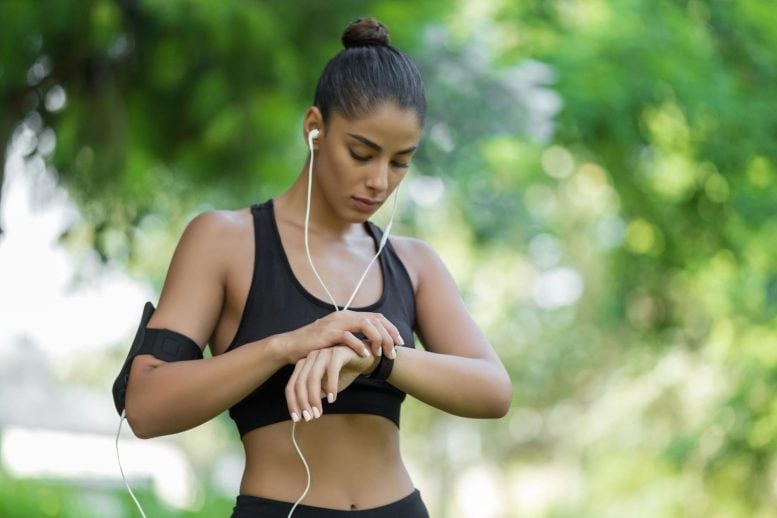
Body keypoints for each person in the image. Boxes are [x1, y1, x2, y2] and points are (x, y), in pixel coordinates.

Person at [122, 17, 512, 517]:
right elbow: (146, 405)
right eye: (361, 153)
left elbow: (493, 389)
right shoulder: (225, 240)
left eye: (399, 163)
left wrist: (378, 359)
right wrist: (286, 346)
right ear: (315, 129)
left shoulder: (414, 263)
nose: (378, 181)